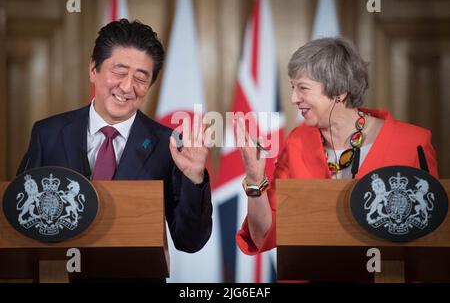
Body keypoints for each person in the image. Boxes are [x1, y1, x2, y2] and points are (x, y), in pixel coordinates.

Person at [18, 19, 212, 254]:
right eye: (119, 72)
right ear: (93, 70)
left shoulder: (170, 146)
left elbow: (189, 241)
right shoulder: (47, 133)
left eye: (141, 79)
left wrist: (194, 179)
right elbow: (21, 221)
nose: (128, 87)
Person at [236, 37, 439, 257]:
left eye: (303, 88)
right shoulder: (297, 142)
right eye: (293, 87)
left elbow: (432, 234)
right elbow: (262, 235)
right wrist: (255, 181)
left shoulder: (411, 143)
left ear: (339, 91)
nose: (294, 98)